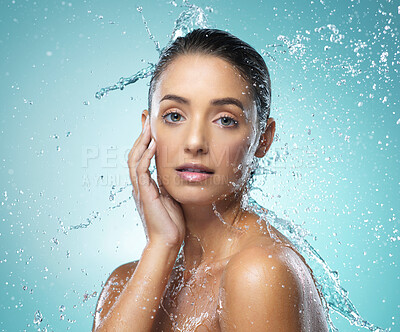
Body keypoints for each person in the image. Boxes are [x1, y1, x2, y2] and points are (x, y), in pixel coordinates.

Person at [92, 28, 329, 331]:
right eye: (174, 116)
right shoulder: (126, 281)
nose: (194, 142)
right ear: (147, 128)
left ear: (262, 140)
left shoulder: (259, 273)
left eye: (225, 120)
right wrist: (161, 246)